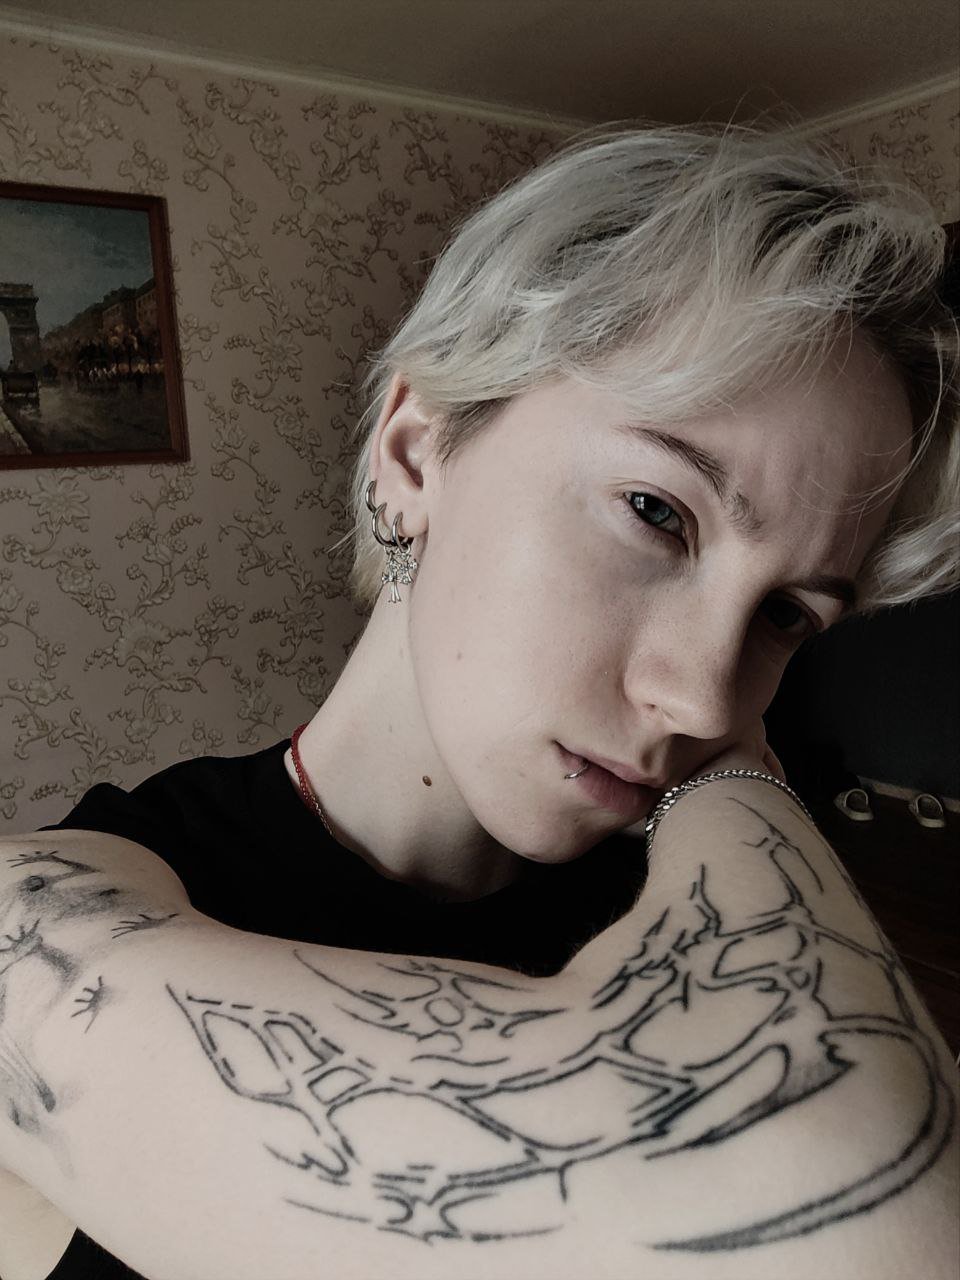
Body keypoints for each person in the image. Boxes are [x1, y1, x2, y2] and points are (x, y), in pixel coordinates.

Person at [0, 123, 957, 1280]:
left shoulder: (688, 904)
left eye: (788, 613)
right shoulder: (53, 909)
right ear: (415, 455)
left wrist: (734, 772)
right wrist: (746, 766)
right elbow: (853, 1195)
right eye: (657, 512)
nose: (702, 696)